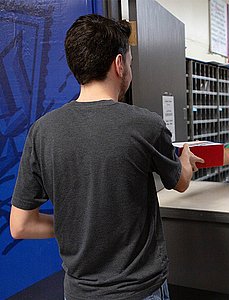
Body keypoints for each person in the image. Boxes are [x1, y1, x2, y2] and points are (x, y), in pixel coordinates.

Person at [9, 14, 203, 300]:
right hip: (140, 290)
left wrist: (75, 226)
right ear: (119, 64)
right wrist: (185, 159)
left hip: (78, 292)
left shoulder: (42, 131)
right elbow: (181, 183)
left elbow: (21, 225)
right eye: (131, 64)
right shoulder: (146, 124)